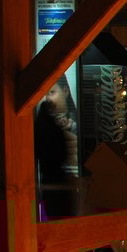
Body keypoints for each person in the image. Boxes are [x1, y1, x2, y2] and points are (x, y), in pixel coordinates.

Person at [35, 76, 79, 219]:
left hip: (48, 182)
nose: (49, 98)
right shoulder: (56, 129)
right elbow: (62, 154)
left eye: (52, 92)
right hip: (60, 182)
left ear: (65, 91)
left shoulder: (40, 128)